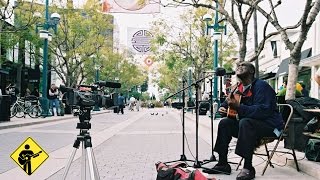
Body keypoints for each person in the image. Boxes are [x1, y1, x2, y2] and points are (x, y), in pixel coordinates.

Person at [203, 62, 283, 180]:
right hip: (248, 126)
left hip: (271, 127)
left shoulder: (262, 86)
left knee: (245, 122)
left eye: (243, 66)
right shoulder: (237, 87)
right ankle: (223, 163)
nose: (239, 67)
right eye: (238, 66)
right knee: (225, 123)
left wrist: (239, 108)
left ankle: (248, 167)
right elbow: (228, 105)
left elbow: (263, 111)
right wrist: (223, 108)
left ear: (251, 71)